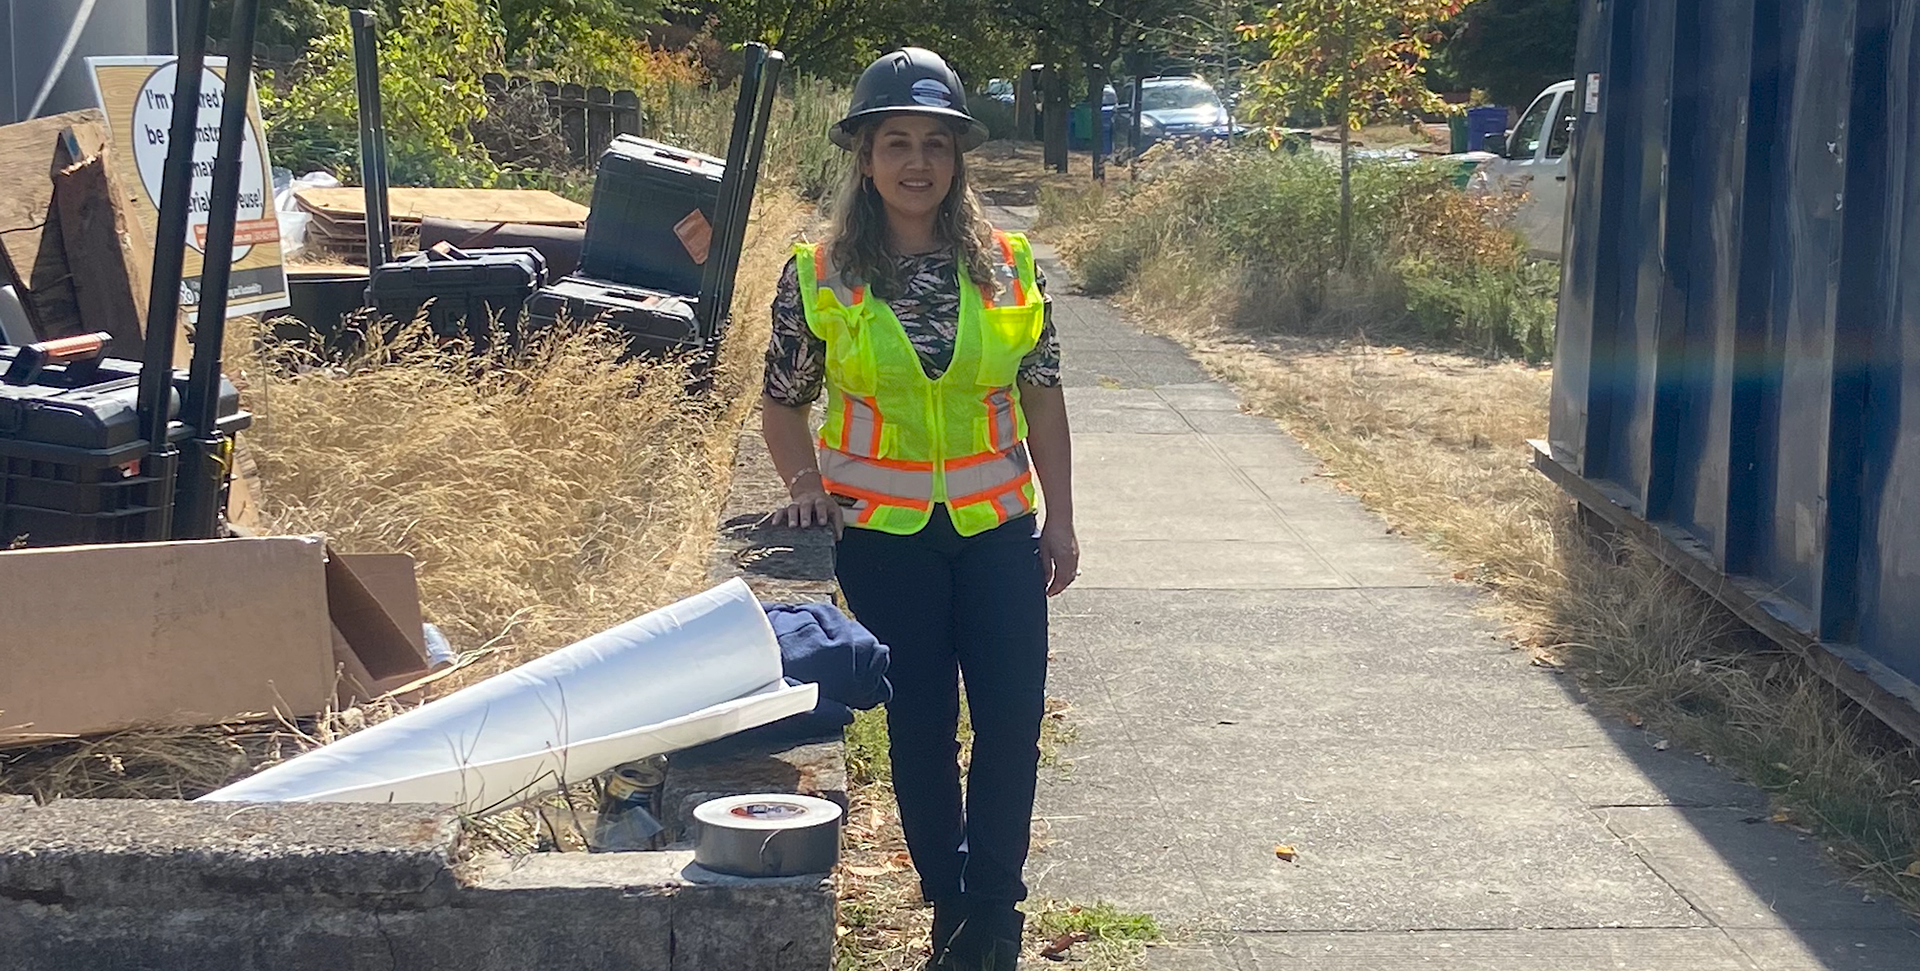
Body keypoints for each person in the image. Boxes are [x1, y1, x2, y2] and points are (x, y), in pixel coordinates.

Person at [760, 47, 1079, 971]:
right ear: (863, 155)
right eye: (895, 141)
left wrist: (1060, 516)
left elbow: (1045, 397)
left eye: (936, 144)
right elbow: (784, 400)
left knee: (1013, 714)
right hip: (886, 538)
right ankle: (949, 906)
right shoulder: (819, 273)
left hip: (996, 529)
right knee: (922, 722)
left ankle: (996, 911)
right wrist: (803, 485)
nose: (917, 162)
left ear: (957, 160)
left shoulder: (1009, 265)